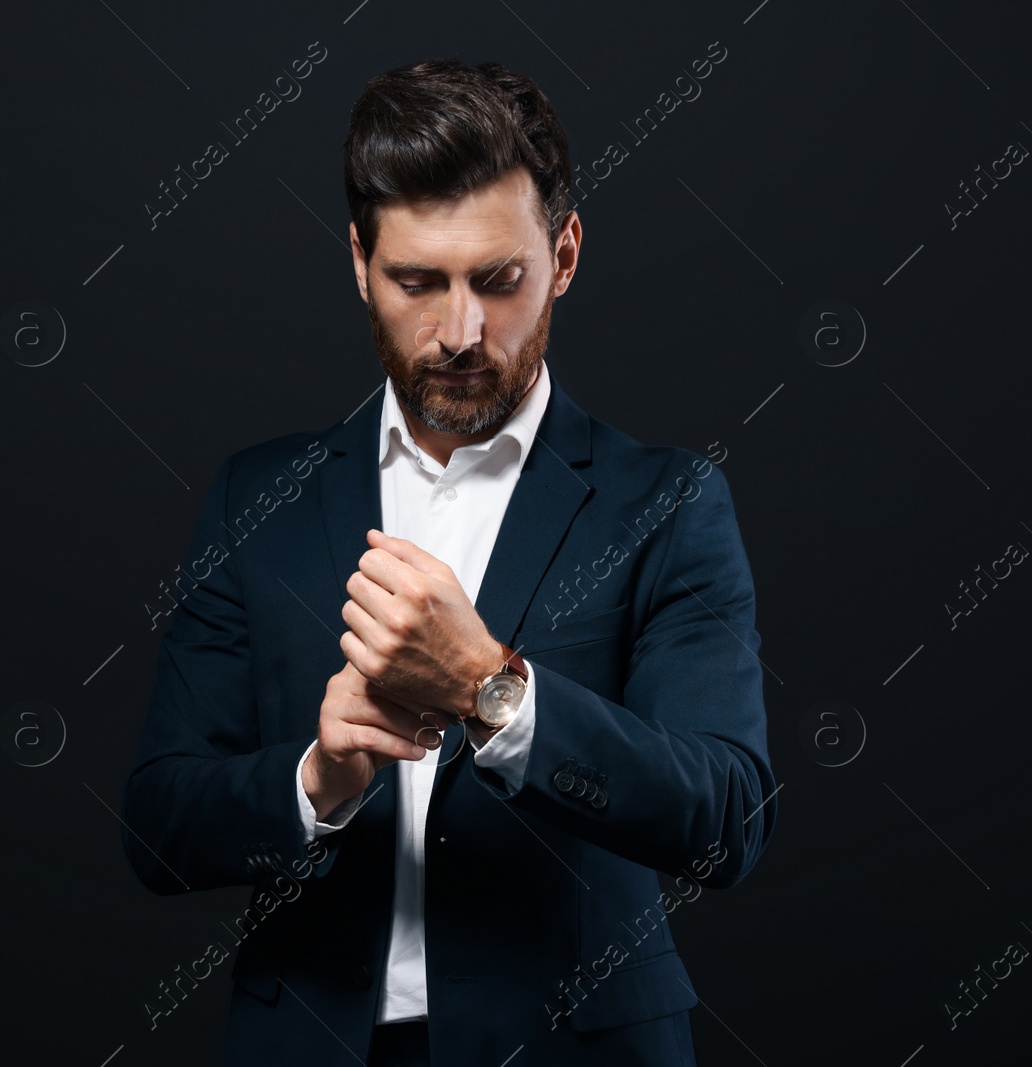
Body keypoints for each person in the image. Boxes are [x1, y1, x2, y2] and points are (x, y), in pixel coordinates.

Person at [121, 56, 777, 1067]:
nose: (459, 331)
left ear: (562, 254)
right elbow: (159, 826)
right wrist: (317, 775)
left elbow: (725, 818)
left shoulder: (669, 502)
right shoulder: (258, 498)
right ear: (357, 262)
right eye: (416, 282)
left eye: (498, 279)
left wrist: (493, 691)